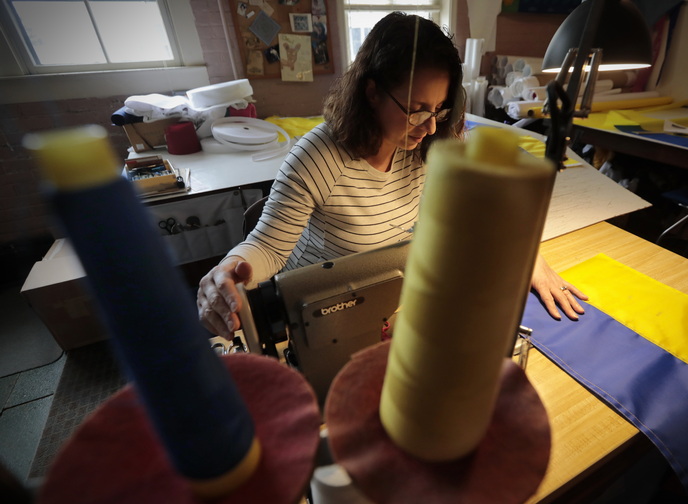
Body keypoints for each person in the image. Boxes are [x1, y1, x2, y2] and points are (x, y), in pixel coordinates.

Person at [197, 12, 587, 340]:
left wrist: (528, 256)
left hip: (390, 301)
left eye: (438, 110)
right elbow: (268, 248)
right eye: (417, 108)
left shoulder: (426, 146)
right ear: (372, 92)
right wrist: (227, 273)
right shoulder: (319, 158)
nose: (430, 127)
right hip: (320, 316)